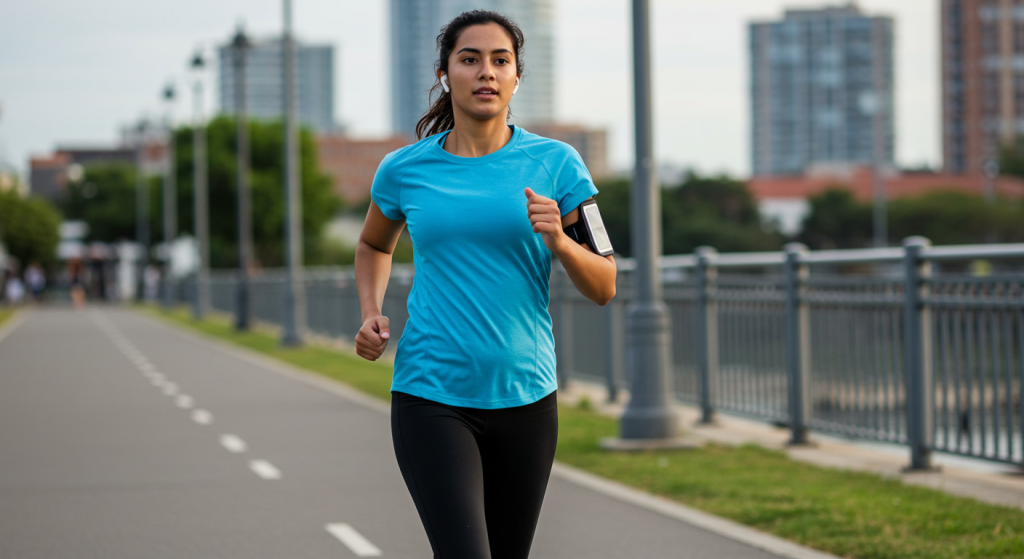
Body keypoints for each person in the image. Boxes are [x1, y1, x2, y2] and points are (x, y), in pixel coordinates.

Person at [354, 10, 616, 559]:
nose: (486, 72)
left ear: (517, 76)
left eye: (500, 61)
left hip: (526, 396)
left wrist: (561, 242)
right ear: (446, 73)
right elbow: (375, 244)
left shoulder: (558, 165)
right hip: (431, 393)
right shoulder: (404, 169)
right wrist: (370, 310)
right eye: (469, 59)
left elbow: (604, 285)